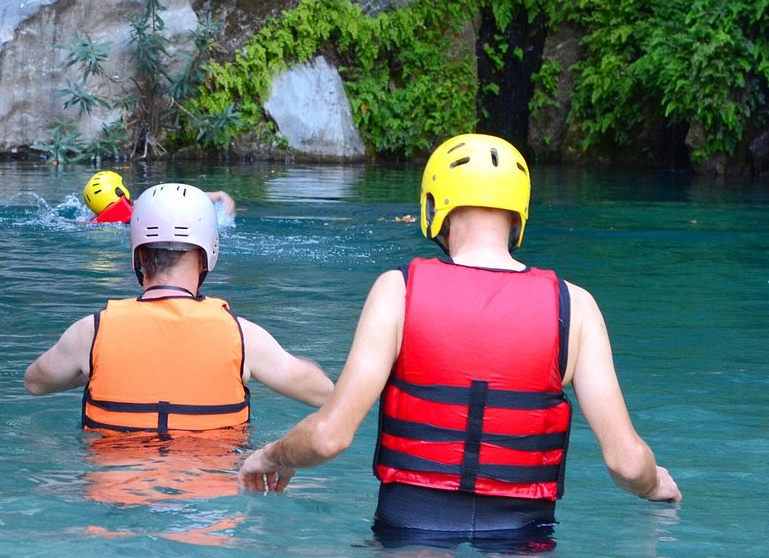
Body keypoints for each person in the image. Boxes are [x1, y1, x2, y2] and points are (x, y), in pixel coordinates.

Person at [238, 133, 681, 546]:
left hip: (408, 533)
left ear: (434, 207)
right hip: (523, 537)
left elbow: (327, 438)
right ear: (518, 216)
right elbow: (627, 463)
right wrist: (653, 483)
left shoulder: (398, 291)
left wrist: (272, 455)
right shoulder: (575, 306)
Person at [27, 182, 334, 436]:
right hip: (212, 487)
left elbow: (35, 383)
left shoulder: (90, 333)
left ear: (139, 256)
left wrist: (93, 365)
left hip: (116, 487)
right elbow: (324, 393)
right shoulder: (244, 338)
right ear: (207, 255)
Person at [82, 170, 236, 225]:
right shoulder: (147, 203)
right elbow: (185, 196)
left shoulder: (94, 223)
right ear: (119, 191)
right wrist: (220, 195)